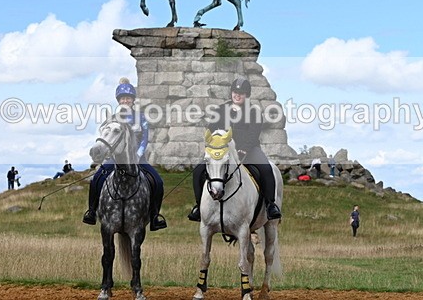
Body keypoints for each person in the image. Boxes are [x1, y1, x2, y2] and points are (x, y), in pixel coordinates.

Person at [188, 77, 282, 222]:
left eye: (241, 93)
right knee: (198, 171)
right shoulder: (221, 110)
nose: (237, 95)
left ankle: (270, 205)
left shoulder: (253, 111)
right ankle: (198, 207)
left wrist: (244, 149)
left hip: (249, 151)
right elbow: (211, 130)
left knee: (266, 169)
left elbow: (253, 134)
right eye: (235, 92)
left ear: (247, 95)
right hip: (224, 151)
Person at [82, 78, 167, 231]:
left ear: (133, 100)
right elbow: (107, 137)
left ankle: (155, 217)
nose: (125, 101)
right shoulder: (112, 119)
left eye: (128, 98)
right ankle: (92, 211)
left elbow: (145, 138)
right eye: (123, 98)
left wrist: (137, 155)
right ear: (119, 100)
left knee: (158, 182)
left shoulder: (141, 117)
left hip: (138, 159)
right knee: (97, 178)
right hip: (115, 159)